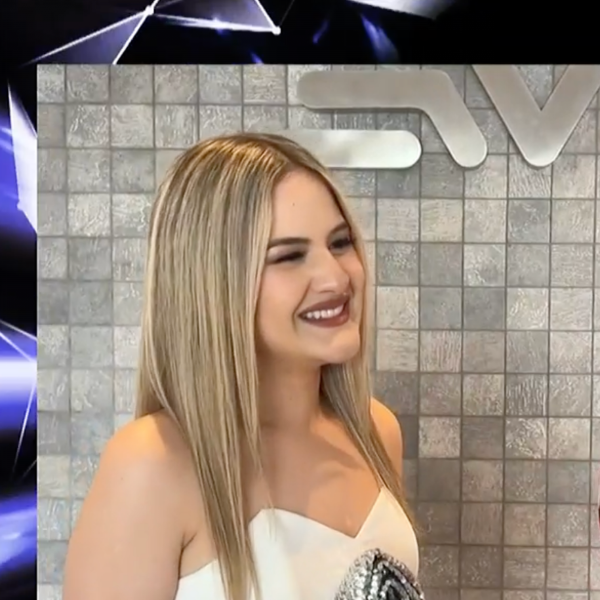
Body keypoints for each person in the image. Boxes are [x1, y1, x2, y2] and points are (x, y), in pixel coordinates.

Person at [63, 133, 419, 600]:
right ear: (214, 281)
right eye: (289, 256)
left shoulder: (376, 430)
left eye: (340, 243)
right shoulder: (153, 463)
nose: (336, 277)